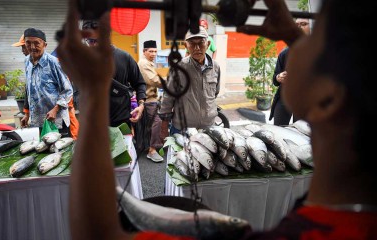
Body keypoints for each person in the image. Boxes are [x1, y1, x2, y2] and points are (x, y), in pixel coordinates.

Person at [59, 0, 377, 239]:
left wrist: (95, 90)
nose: (297, 43)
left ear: (328, 97)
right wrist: (293, 33)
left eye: (313, 33)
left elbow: (97, 232)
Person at [82, 20, 146, 129]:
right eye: (90, 41)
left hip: (121, 122)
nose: (94, 45)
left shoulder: (124, 57)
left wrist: (141, 105)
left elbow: (139, 83)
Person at [159, 26, 220, 137]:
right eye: (192, 43)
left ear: (208, 45)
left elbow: (215, 93)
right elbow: (168, 97)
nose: (197, 48)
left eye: (201, 43)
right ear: (186, 46)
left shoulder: (215, 67)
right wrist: (164, 126)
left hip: (208, 127)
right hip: (182, 128)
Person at [21, 28, 73, 137]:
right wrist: (27, 114)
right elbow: (29, 88)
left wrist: (55, 109)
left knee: (59, 152)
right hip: (36, 122)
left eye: (36, 43)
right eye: (28, 43)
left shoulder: (55, 63)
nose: (32, 47)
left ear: (45, 45)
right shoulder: (27, 61)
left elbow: (68, 90)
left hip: (56, 121)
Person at [269, 18, 311, 126]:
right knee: (279, 131)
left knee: (301, 134)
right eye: (296, 24)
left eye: (303, 24)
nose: (299, 27)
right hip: (284, 98)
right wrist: (278, 77)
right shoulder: (285, 53)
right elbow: (275, 79)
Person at [137, 40, 164, 162]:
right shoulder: (144, 63)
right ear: (144, 51)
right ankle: (152, 150)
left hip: (151, 98)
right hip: (148, 99)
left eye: (155, 51)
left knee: (151, 124)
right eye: (150, 51)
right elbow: (153, 80)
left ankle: (149, 145)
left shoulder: (148, 63)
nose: (153, 54)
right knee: (156, 122)